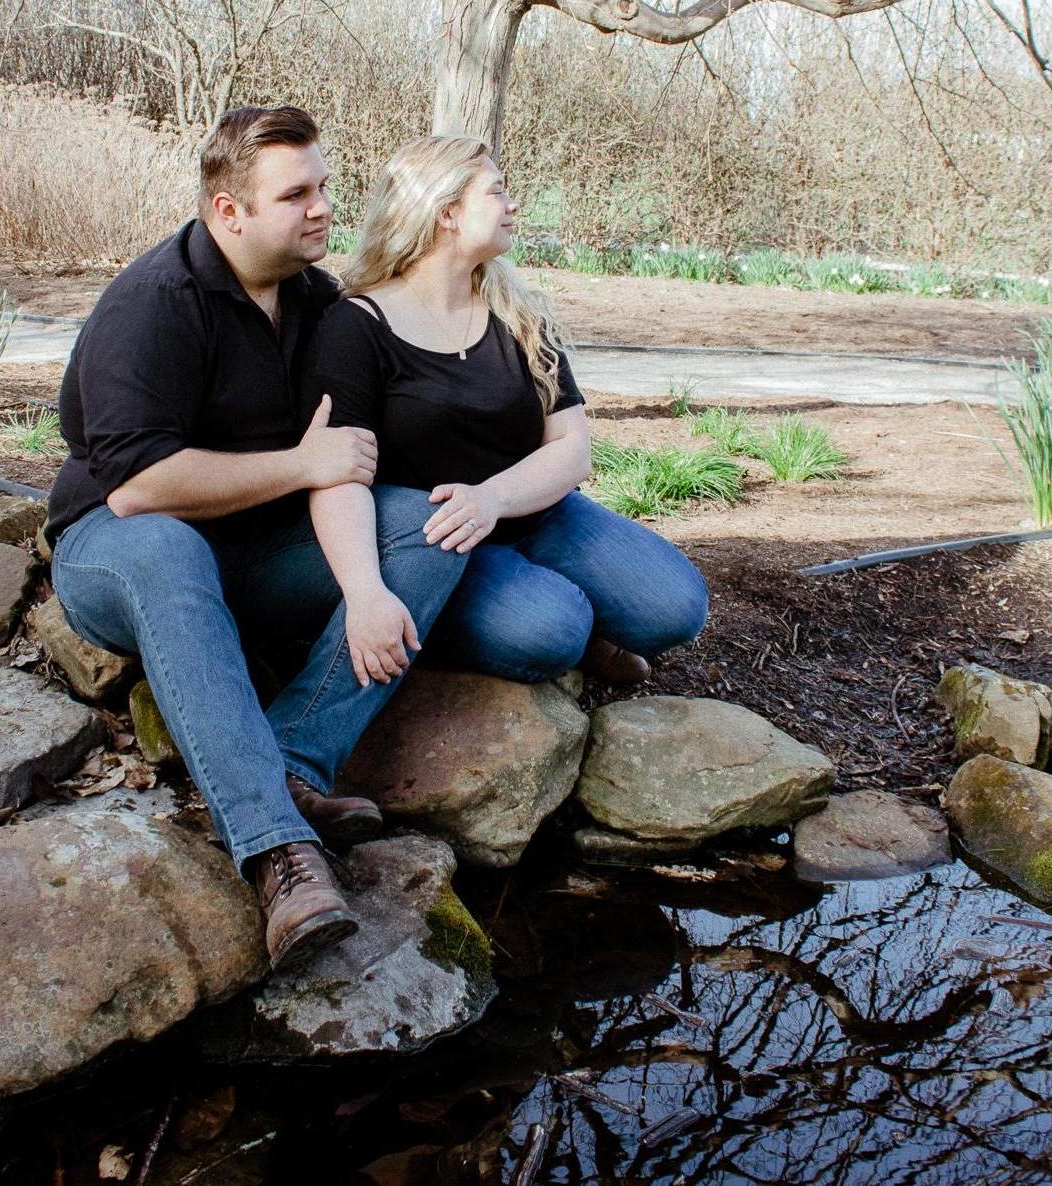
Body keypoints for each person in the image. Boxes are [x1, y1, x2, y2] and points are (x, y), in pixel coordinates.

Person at [45, 108, 470, 972]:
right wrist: (302, 464)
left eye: (324, 187)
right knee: (167, 549)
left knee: (426, 525)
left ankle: (290, 761)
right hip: (117, 553)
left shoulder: (314, 299)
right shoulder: (154, 303)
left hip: (255, 554)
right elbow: (137, 488)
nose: (323, 207)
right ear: (228, 211)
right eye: (295, 194)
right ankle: (279, 852)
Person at [302, 136, 708, 687]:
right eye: (496, 192)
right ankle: (479, 621)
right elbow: (338, 474)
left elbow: (572, 447)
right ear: (446, 212)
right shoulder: (356, 326)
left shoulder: (518, 313)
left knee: (676, 608)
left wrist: (492, 498)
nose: (513, 204)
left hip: (539, 512)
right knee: (552, 631)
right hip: (443, 545)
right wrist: (364, 592)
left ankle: (569, 609)